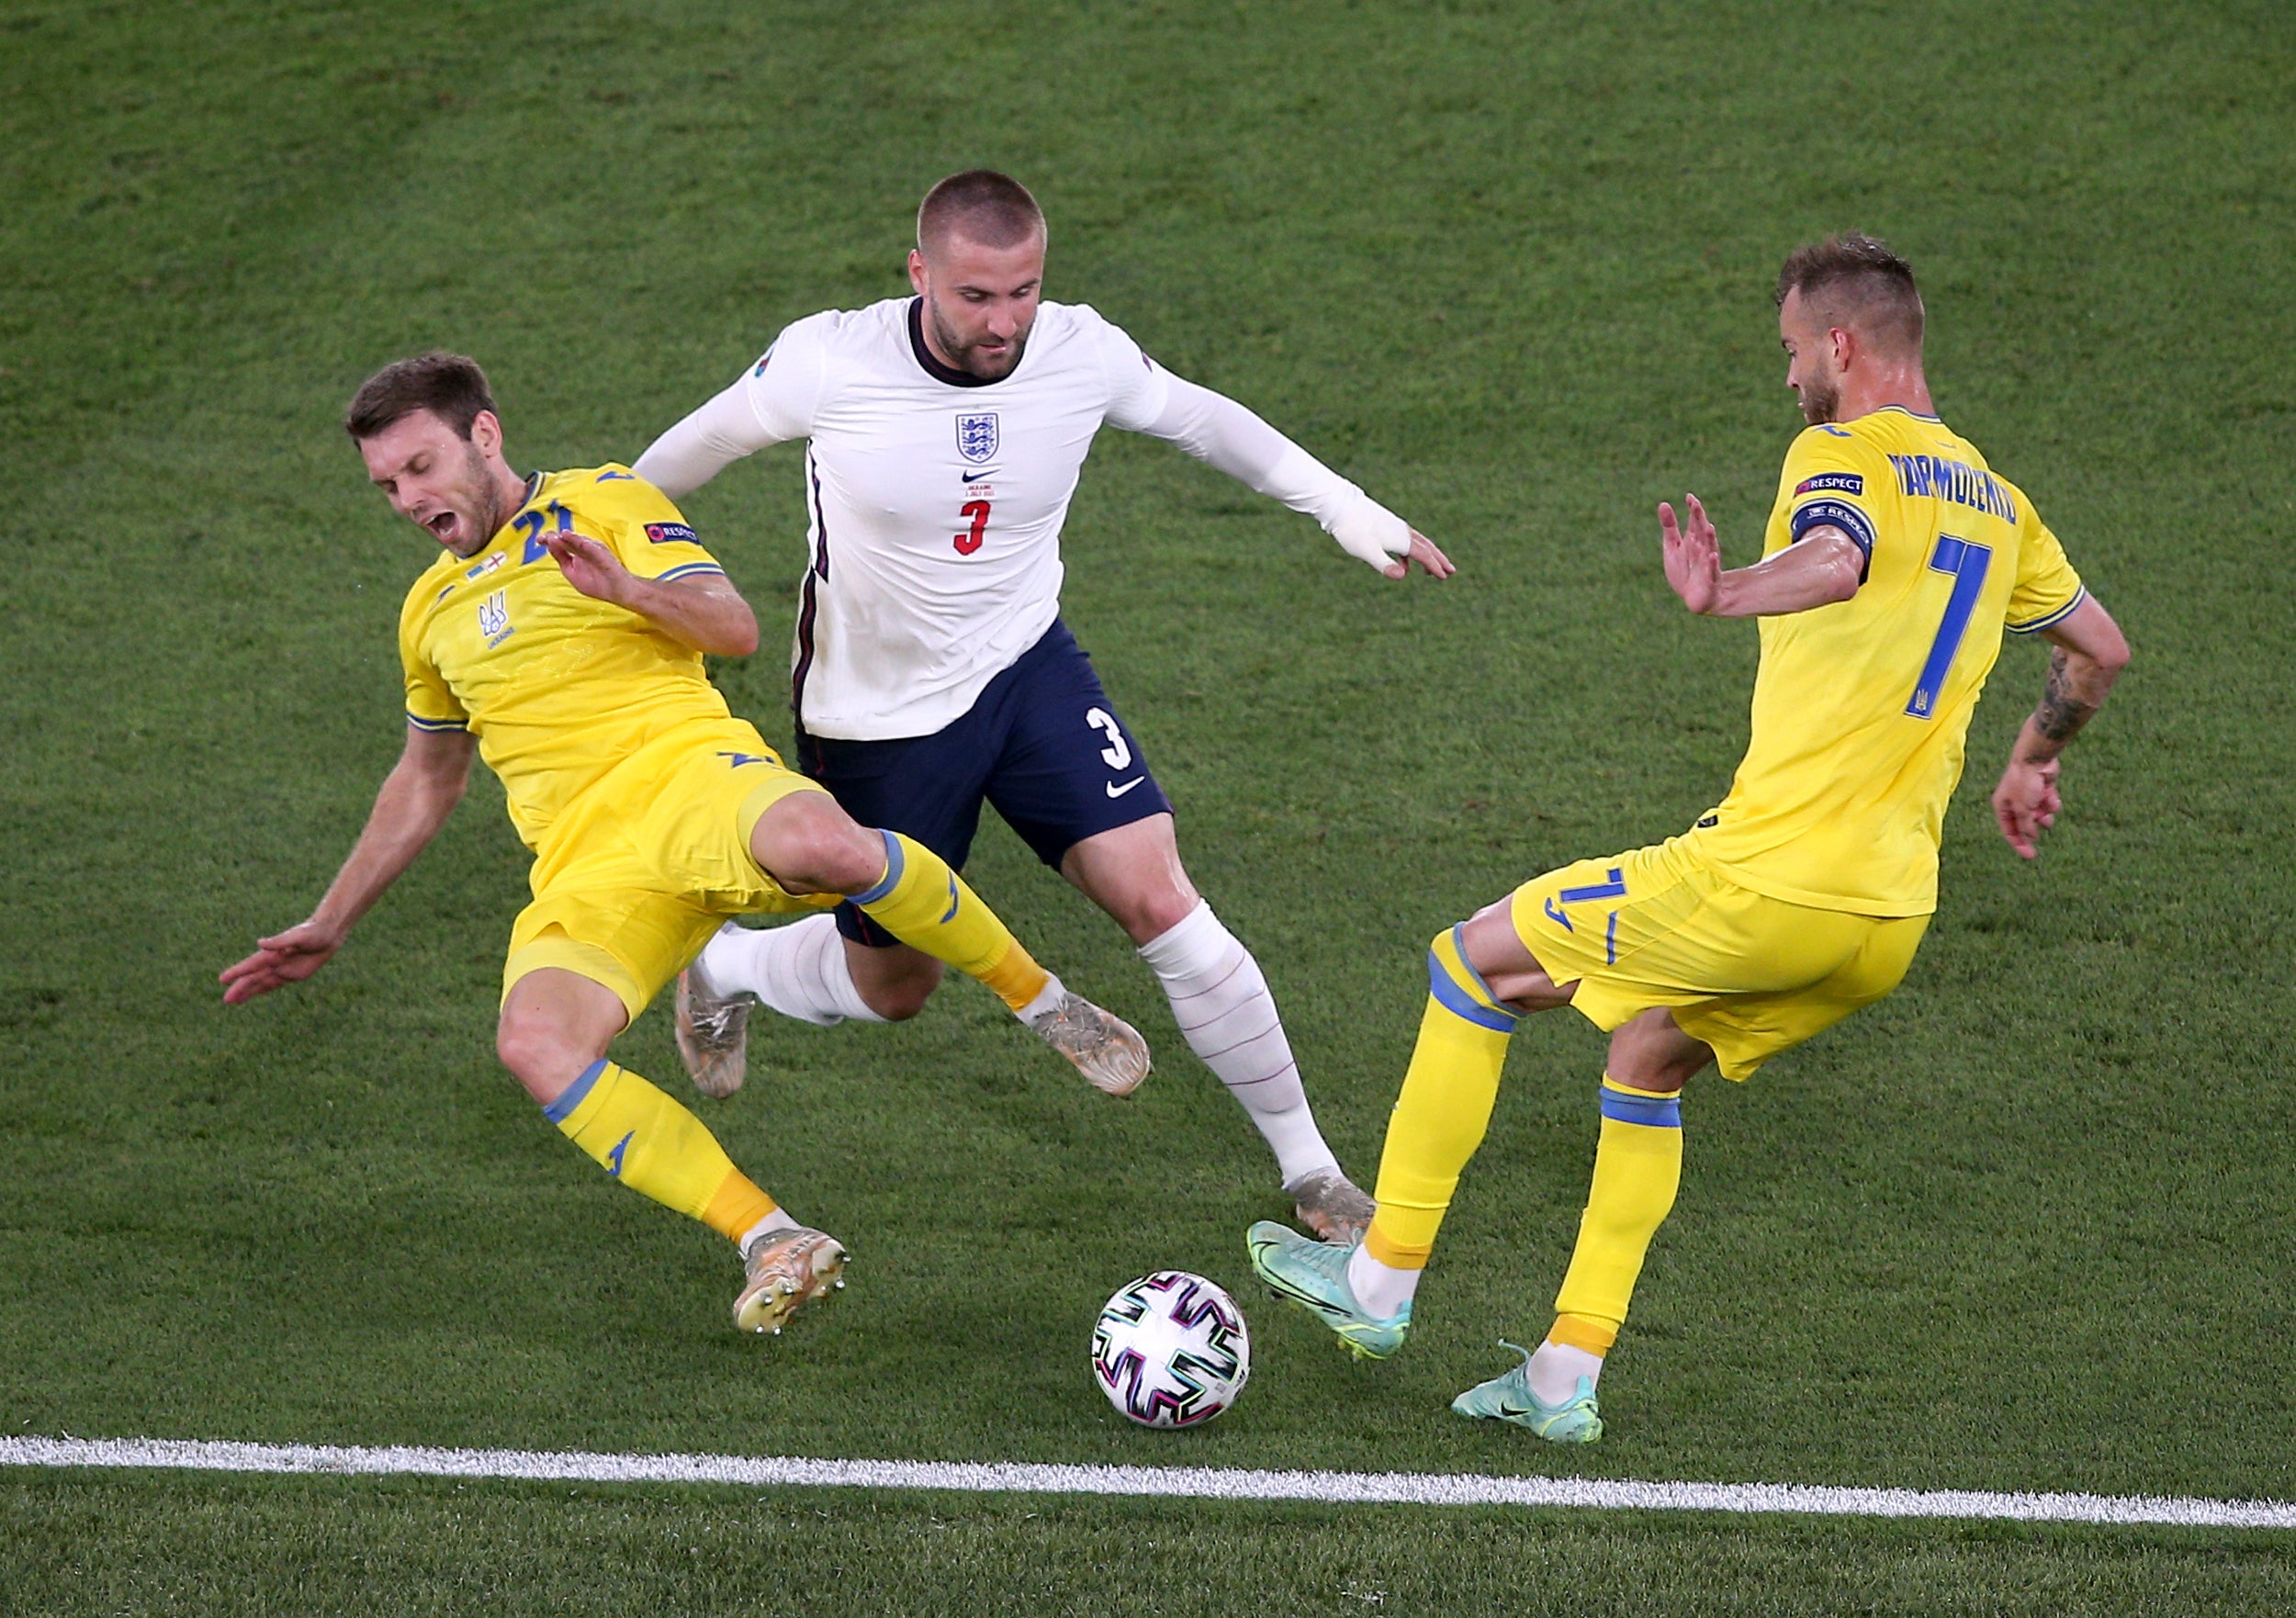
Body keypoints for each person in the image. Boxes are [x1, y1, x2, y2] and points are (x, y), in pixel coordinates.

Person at [1246, 234, 2131, 1441]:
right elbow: (2101, 648)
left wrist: (1728, 591)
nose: (1787, 382)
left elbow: (1834, 558)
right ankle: (1562, 1380)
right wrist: (2034, 761)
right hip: (1886, 922)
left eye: (1790, 353)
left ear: (1841, 344)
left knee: (1473, 962)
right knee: (1648, 1057)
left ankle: (1378, 1278)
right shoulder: (1999, 499)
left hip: (1769, 879)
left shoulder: (1841, 449)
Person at [220, 352, 1148, 1337]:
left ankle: (1043, 1003)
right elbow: (426, 777)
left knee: (829, 845)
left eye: (418, 467)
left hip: (689, 779)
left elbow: (734, 626)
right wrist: (331, 919)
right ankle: (770, 1236)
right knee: (534, 1042)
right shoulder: (428, 613)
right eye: (388, 485)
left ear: (482, 434)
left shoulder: (608, 500)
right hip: (587, 863)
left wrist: (626, 589)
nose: (407, 499)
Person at [633, 170, 1455, 1242]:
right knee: (895, 989)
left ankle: (1311, 1169)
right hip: (876, 721)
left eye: (1022, 291)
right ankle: (732, 961)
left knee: (1162, 901)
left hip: (1027, 669)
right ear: (919, 273)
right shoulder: (831, 359)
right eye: (977, 296)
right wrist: (601, 564)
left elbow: (1205, 420)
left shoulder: (1077, 350)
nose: (1003, 322)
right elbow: (668, 467)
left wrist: (1343, 509)